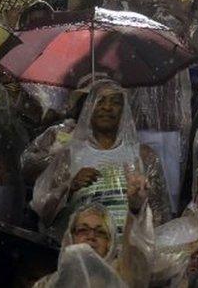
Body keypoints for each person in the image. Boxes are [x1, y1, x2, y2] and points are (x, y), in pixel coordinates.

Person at [31, 79, 171, 239]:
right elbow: (43, 211)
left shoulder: (144, 156)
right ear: (88, 107)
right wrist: (69, 187)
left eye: (115, 102)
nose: (107, 107)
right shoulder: (69, 156)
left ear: (124, 110)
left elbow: (160, 216)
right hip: (85, 252)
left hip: (128, 255)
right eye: (100, 100)